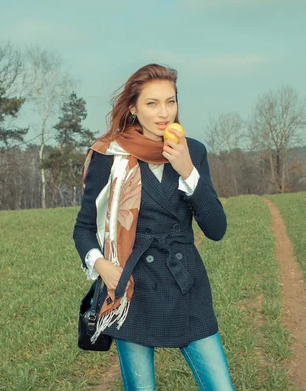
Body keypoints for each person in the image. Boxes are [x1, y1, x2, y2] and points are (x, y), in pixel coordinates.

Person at [73, 63, 233, 390]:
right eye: (152, 103)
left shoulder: (193, 151)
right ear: (133, 107)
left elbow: (216, 228)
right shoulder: (110, 155)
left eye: (170, 102)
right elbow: (84, 228)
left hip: (186, 285)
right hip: (133, 288)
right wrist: (103, 266)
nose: (164, 113)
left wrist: (188, 170)